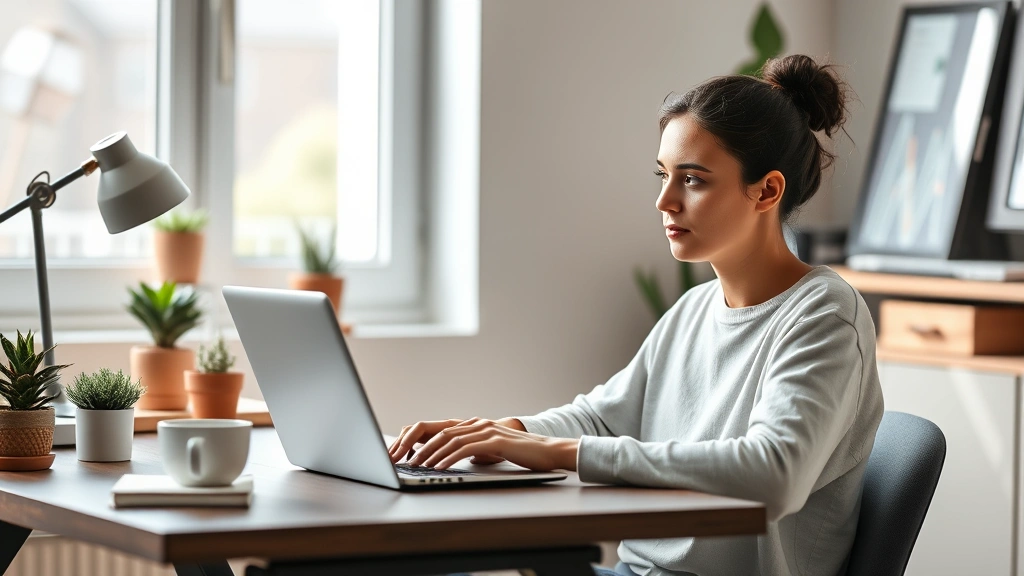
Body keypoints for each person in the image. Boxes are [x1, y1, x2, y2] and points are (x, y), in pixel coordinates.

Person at [388, 54, 884, 576]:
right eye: (664, 175)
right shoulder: (693, 309)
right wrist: (501, 432)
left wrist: (559, 452)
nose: (664, 201)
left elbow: (773, 474)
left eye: (692, 180)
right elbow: (602, 418)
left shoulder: (825, 316)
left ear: (767, 190)